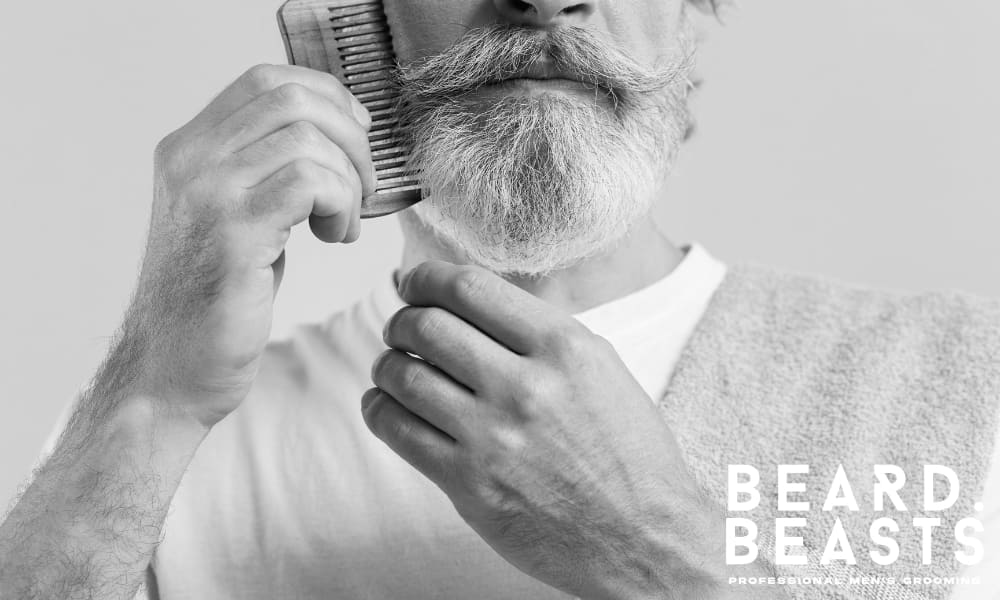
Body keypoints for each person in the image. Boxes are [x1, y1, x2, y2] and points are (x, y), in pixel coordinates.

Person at [1, 0, 998, 599]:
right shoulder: (156, 447)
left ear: (694, 22)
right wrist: (149, 397)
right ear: (355, 25)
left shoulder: (968, 388)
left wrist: (665, 561)